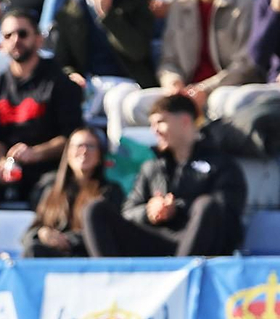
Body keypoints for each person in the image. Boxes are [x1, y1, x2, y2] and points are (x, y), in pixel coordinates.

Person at [116, 0, 256, 136]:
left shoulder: (245, 6)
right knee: (134, 104)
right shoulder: (179, 6)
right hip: (184, 93)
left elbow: (245, 65)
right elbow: (168, 60)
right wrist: (172, 83)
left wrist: (204, 89)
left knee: (221, 102)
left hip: (222, 90)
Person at [83, 94, 246, 258]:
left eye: (160, 122)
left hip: (200, 246)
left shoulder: (222, 164)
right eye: (152, 124)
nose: (154, 130)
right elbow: (128, 212)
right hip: (157, 240)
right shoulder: (152, 166)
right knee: (95, 210)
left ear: (184, 121)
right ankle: (108, 273)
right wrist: (149, 212)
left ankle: (182, 270)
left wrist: (177, 209)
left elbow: (226, 212)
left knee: (206, 204)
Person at [0, 13, 84, 206]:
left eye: (22, 34)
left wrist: (36, 153)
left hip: (49, 169)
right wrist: (2, 161)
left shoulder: (60, 81)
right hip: (9, 169)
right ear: (2, 44)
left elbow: (71, 137)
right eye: (8, 36)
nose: (15, 40)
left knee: (48, 194)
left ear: (39, 39)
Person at [50, 0, 157, 121]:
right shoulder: (69, 10)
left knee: (115, 101)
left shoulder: (136, 3)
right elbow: (63, 61)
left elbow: (138, 51)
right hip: (90, 84)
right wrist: (71, 75)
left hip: (130, 83)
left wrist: (107, 15)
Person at [22, 127, 124, 259]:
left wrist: (67, 240)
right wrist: (42, 233)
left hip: (88, 257)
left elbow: (111, 233)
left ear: (100, 155)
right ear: (67, 153)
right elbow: (28, 234)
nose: (84, 151)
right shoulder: (50, 188)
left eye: (90, 146)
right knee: (33, 249)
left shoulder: (110, 191)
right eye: (78, 146)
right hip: (53, 256)